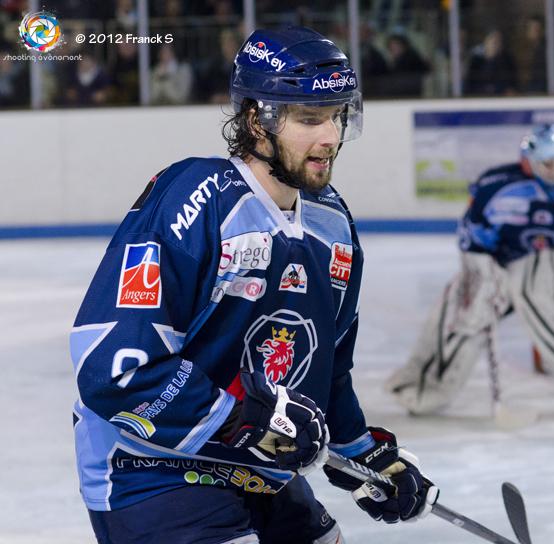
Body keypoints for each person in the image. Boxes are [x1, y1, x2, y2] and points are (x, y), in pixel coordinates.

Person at [70, 26, 438, 544]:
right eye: (310, 118)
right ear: (256, 120)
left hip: (254, 467)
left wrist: (363, 455)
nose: (329, 136)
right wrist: (241, 420)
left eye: (337, 116)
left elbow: (324, 371)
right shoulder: (196, 198)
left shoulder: (331, 223)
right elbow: (114, 367)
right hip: (148, 468)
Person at [385, 124, 554, 416]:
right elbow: (472, 236)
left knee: (537, 285)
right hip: (506, 265)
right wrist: (482, 269)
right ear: (528, 162)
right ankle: (425, 389)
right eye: (548, 164)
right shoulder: (496, 187)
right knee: (467, 303)